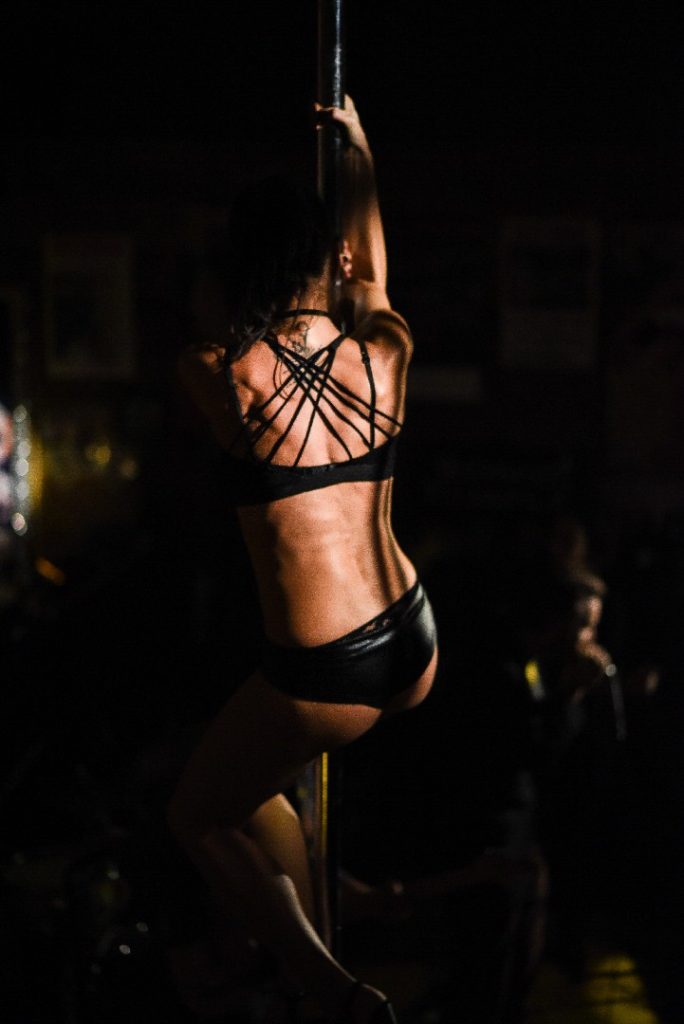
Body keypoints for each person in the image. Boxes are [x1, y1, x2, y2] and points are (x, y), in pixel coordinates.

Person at [166, 94, 438, 1024]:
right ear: (336, 261)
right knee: (259, 791)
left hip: (328, 674)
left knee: (197, 816)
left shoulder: (222, 378)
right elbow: (373, 275)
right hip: (414, 637)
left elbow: (214, 321)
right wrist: (360, 156)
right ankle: (325, 915)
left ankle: (331, 989)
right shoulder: (385, 353)